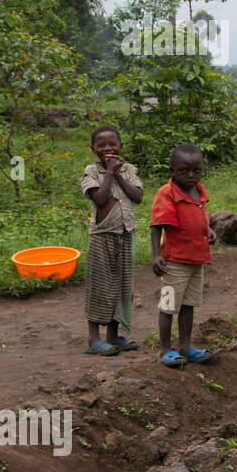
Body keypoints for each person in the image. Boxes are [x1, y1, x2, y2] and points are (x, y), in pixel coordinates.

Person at [150, 143, 217, 367]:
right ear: (172, 170)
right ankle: (165, 349)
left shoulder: (198, 191)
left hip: (197, 260)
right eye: (184, 171)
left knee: (189, 305)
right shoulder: (167, 193)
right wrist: (156, 255)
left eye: (196, 171)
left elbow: (198, 216)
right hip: (174, 262)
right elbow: (157, 224)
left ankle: (186, 347)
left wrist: (207, 231)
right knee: (168, 306)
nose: (191, 175)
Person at [81, 126, 144, 356]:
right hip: (102, 237)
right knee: (100, 286)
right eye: (101, 145)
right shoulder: (91, 172)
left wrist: (118, 173)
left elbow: (137, 197)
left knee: (121, 286)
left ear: (121, 146)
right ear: (93, 149)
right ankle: (93, 339)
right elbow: (99, 199)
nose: (107, 148)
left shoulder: (128, 170)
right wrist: (108, 173)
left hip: (126, 234)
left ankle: (113, 335)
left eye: (112, 144)